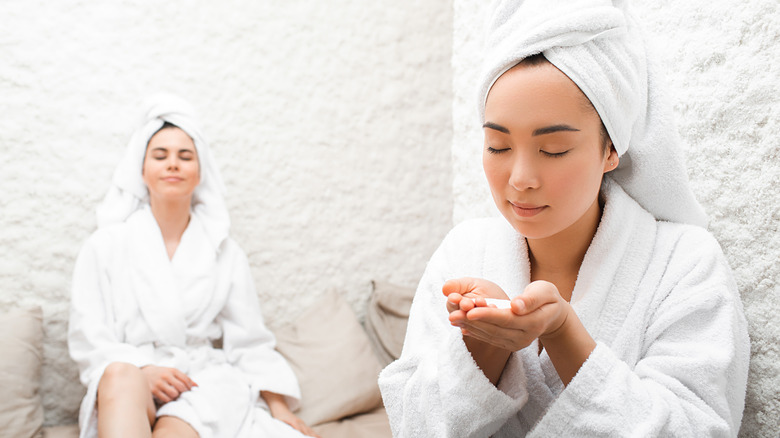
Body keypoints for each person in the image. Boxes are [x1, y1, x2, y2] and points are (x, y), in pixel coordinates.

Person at [378, 1, 749, 436]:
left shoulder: (684, 263)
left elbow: (697, 428)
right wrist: (481, 345)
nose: (519, 180)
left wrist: (565, 336)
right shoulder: (465, 252)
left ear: (611, 149)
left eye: (552, 150)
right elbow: (412, 425)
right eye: (498, 145)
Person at [68, 95, 319, 438]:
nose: (173, 164)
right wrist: (145, 369)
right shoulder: (104, 246)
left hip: (202, 379)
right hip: (130, 379)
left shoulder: (225, 253)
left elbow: (249, 341)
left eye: (185, 156)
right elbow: (89, 337)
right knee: (118, 374)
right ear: (141, 170)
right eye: (160, 155)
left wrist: (278, 406)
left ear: (200, 173)